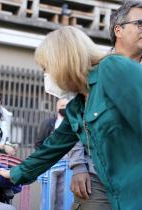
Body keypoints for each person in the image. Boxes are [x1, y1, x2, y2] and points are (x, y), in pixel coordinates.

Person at [0, 26, 142, 210]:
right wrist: (15, 173)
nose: (47, 76)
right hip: (118, 193)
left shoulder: (113, 69)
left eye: (46, 68)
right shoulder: (76, 107)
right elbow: (52, 147)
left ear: (62, 62)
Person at [69, 1, 142, 209]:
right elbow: (72, 125)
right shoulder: (92, 70)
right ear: (118, 30)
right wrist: (78, 167)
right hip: (96, 180)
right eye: (140, 23)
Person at [35, 98, 69, 210]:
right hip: (51, 165)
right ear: (56, 107)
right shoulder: (49, 123)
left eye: (66, 105)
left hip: (68, 165)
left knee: (63, 199)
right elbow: (39, 142)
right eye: (62, 105)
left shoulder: (72, 123)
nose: (64, 107)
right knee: (48, 197)